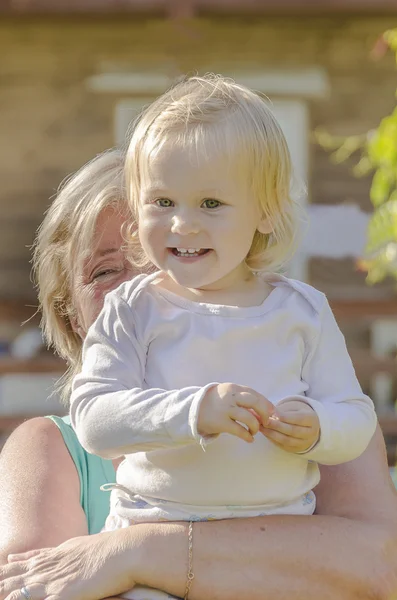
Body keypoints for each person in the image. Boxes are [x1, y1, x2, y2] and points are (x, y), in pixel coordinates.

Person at [0, 147, 396, 600]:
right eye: (107, 271)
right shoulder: (51, 449)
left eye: (175, 256)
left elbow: (380, 569)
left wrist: (136, 553)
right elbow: (27, 590)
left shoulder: (321, 416)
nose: (142, 289)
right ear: (73, 318)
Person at [70, 74, 377, 600]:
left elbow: (357, 417)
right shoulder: (133, 309)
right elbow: (94, 419)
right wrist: (193, 411)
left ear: (265, 211)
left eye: (210, 204)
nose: (182, 225)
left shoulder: (301, 310)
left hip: (277, 545)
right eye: (162, 202)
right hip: (150, 538)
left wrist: (320, 427)